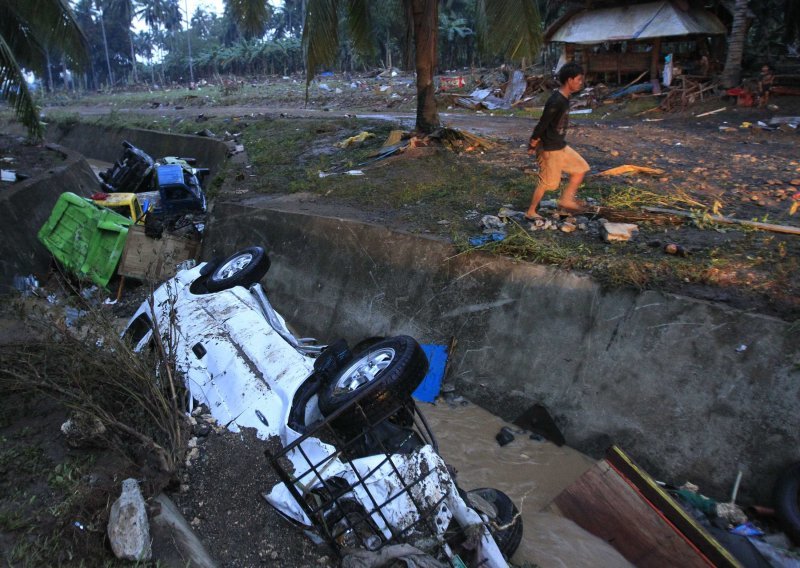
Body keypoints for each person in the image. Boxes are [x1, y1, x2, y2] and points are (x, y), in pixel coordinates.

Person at [525, 62, 590, 220]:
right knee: (549, 183)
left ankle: (566, 200)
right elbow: (543, 122)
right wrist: (533, 142)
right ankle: (531, 211)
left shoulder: (565, 97)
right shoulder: (556, 101)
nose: (581, 83)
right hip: (549, 148)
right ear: (569, 80)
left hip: (559, 145)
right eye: (579, 79)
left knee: (581, 168)